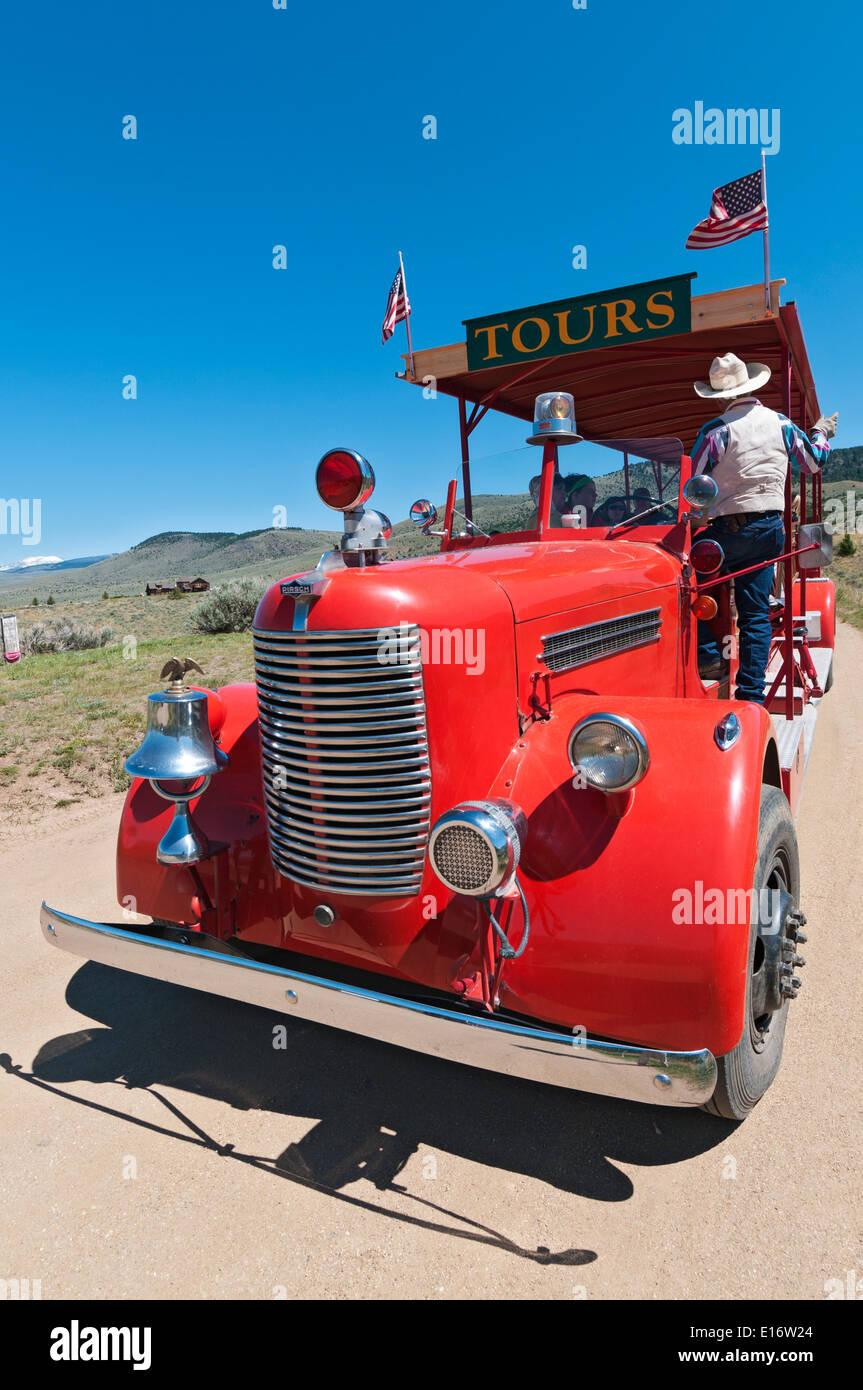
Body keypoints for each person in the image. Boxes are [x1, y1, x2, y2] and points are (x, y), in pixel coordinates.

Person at [691, 352, 837, 703]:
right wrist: (820, 432)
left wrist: (700, 516)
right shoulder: (781, 424)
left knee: (683, 579)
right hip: (771, 530)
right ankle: (751, 697)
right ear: (751, 386)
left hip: (728, 533)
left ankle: (709, 652)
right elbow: (813, 462)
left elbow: (695, 487)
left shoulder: (716, 431)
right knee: (755, 614)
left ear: (722, 396)